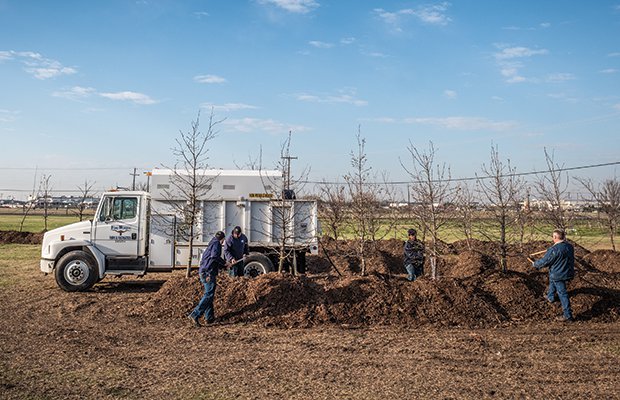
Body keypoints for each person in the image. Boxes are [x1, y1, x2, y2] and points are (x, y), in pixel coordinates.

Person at [531, 229, 575, 322]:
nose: (552, 238)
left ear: (555, 237)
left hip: (558, 274)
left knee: (562, 293)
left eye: (553, 236)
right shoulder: (569, 247)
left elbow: (545, 261)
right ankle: (550, 297)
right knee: (552, 280)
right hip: (567, 272)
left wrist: (535, 264)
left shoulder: (554, 250)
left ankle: (568, 315)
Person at [188, 231, 229, 327]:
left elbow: (212, 260)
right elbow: (214, 257)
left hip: (205, 271)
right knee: (208, 295)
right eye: (223, 240)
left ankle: (209, 317)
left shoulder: (212, 243)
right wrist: (224, 263)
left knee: (209, 294)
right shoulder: (216, 244)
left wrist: (224, 266)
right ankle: (195, 314)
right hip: (208, 273)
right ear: (222, 239)